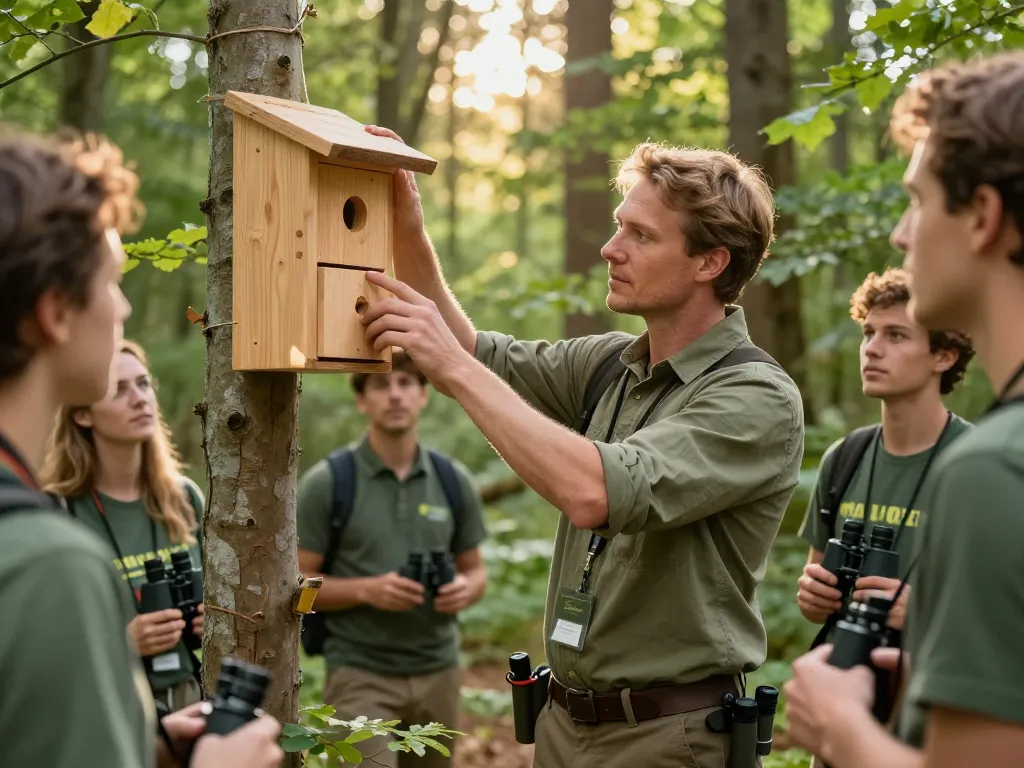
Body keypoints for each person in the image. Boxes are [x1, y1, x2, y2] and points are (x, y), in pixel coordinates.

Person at [356, 129, 805, 767]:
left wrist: (449, 367)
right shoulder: (610, 366)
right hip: (562, 725)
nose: (609, 249)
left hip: (667, 737)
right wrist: (408, 226)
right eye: (619, 227)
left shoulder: (755, 397)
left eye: (641, 236)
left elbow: (594, 490)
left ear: (710, 263)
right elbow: (473, 349)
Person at [0, 129, 282, 768]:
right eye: (111, 282)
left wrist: (146, 746)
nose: (124, 305)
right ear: (55, 312)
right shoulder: (48, 564)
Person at [784, 51, 1024, 768]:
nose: (899, 233)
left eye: (916, 201)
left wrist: (840, 723)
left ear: (981, 216)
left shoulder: (993, 467)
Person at [296, 351, 488, 768]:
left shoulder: (453, 481)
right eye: (381, 385)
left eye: (405, 383)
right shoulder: (329, 483)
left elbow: (475, 572)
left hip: (440, 670)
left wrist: (463, 590)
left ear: (424, 394)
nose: (395, 395)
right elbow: (297, 583)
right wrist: (367, 590)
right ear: (362, 400)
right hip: (359, 673)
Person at [796, 267, 973, 634]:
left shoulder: (977, 465)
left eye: (896, 335)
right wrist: (814, 597)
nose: (872, 350)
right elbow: (817, 602)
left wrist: (926, 614)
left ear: (944, 357)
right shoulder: (845, 457)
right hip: (846, 679)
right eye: (868, 333)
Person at [40, 338, 207, 713]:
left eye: (144, 384)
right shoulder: (57, 511)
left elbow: (226, 596)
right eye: (118, 389)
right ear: (82, 414)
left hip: (191, 698)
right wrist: (122, 642)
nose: (139, 398)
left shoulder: (184, 497)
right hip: (108, 707)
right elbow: (38, 641)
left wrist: (212, 621)